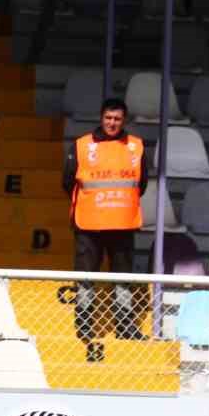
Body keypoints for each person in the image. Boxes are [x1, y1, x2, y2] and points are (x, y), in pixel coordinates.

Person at [63, 98, 147, 361]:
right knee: (86, 277)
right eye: (108, 118)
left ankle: (124, 326)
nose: (112, 123)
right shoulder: (82, 145)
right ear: (101, 117)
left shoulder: (136, 146)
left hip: (122, 223)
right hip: (89, 223)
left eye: (117, 119)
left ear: (124, 120)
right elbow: (67, 181)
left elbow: (141, 183)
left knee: (123, 278)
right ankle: (84, 325)